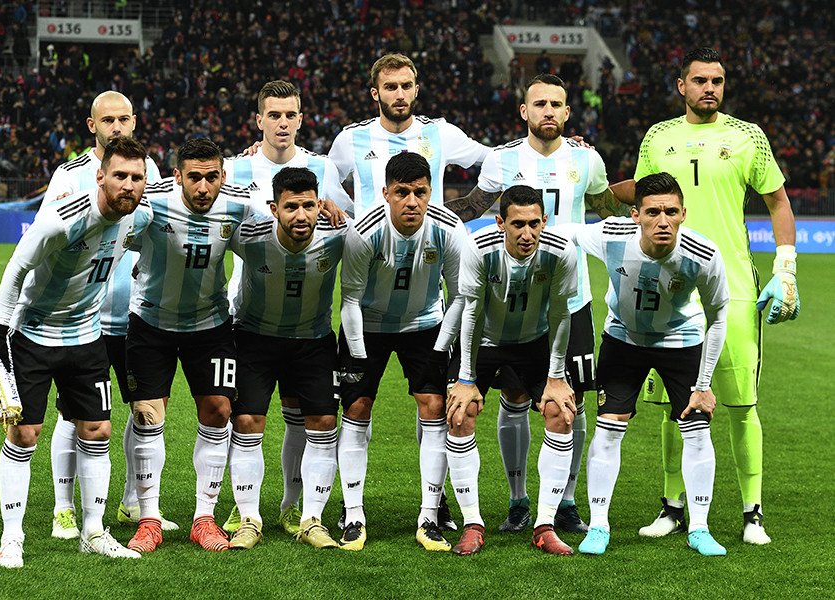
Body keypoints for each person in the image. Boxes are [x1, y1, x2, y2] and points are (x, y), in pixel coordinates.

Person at [611, 48, 799, 544]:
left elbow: (778, 200)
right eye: (700, 80)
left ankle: (752, 512)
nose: (709, 88)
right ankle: (673, 506)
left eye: (717, 80)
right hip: (671, 289)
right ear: (682, 86)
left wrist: (785, 266)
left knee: (742, 404)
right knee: (674, 405)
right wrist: (591, 181)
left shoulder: (747, 137)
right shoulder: (658, 136)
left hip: (732, 288)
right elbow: (643, 195)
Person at [443, 74, 630, 534]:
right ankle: (518, 499)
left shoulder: (586, 159)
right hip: (513, 301)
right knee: (514, 396)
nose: (548, 110)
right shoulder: (502, 159)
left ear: (568, 112)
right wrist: (423, 214)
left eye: (556, 104)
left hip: (571, 298)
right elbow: (473, 207)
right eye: (539, 103)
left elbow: (608, 207)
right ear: (524, 111)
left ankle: (565, 500)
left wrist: (649, 223)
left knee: (572, 402)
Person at [0, 137, 152, 568]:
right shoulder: (62, 218)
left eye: (137, 177)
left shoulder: (140, 214)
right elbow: (17, 268)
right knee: (24, 435)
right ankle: (11, 538)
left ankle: (93, 532)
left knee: (97, 431)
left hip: (87, 337)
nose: (128, 185)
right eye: (120, 176)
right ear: (100, 177)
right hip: (33, 335)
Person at [564, 173, 729, 556]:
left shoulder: (702, 254)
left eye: (671, 212)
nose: (663, 221)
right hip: (624, 340)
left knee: (696, 429)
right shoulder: (612, 236)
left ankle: (699, 528)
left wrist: (703, 384)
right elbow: (566, 234)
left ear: (683, 213)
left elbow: (718, 316)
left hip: (681, 341)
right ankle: (599, 526)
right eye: (653, 212)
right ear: (635, 215)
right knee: (609, 427)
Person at [219, 80, 351, 536]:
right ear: (259, 120)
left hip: (307, 315)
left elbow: (344, 221)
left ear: (300, 119)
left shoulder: (321, 167)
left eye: (290, 114)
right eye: (273, 115)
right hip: (249, 306)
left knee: (301, 414)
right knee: (245, 417)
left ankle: (294, 506)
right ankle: (243, 507)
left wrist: (331, 206)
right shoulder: (236, 168)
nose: (282, 123)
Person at [40, 90, 173, 540]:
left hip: (135, 315)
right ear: (91, 125)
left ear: (134, 122)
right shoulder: (69, 174)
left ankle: (134, 503)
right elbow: (47, 238)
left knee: (145, 411)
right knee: (71, 415)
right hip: (82, 319)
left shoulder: (147, 169)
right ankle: (63, 508)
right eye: (108, 120)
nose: (116, 127)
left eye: (124, 119)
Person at [124, 138, 257, 554]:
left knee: (219, 410)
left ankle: (204, 518)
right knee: (147, 416)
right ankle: (149, 520)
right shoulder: (152, 202)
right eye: (194, 177)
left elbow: (282, 220)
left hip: (210, 325)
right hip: (151, 324)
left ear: (223, 176)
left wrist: (327, 207)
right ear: (177, 176)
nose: (203, 187)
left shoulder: (238, 206)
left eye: (211, 177)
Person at [338, 151, 466, 551]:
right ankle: (353, 513)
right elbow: (350, 300)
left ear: (430, 193)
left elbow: (459, 297)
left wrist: (440, 349)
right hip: (368, 325)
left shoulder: (449, 228)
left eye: (420, 192)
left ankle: (430, 515)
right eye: (402, 192)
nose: (412, 201)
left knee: (433, 406)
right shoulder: (364, 232)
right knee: (357, 406)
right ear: (386, 194)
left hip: (424, 325)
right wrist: (358, 356)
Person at [445, 185, 579, 556]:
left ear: (544, 221)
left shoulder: (561, 252)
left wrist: (556, 377)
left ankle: (545, 525)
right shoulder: (479, 247)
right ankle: (472, 524)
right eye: (518, 224)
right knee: (460, 414)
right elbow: (471, 312)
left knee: (561, 412)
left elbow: (560, 313)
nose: (527, 233)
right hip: (485, 341)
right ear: (500, 222)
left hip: (533, 342)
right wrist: (466, 378)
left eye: (534, 223)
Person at [328, 53, 490, 217]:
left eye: (406, 86)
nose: (400, 95)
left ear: (416, 90)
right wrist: (352, 214)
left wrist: (468, 206)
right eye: (391, 87)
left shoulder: (441, 133)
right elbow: (325, 181)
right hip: (369, 234)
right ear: (375, 93)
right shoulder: (351, 138)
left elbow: (494, 158)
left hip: (428, 234)